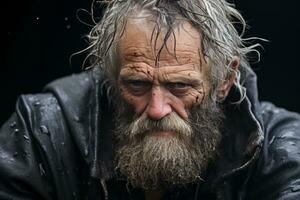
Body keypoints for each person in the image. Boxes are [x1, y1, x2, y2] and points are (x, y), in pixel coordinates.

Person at [1, 0, 300, 199]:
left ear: (224, 81)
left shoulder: (280, 150)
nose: (157, 109)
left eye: (180, 86)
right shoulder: (44, 130)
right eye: (137, 84)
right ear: (110, 75)